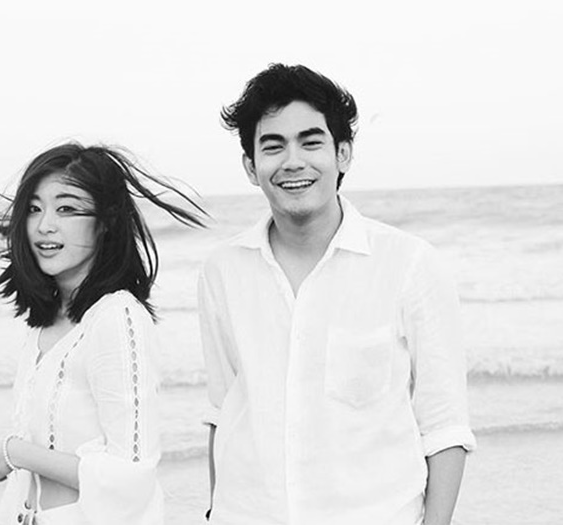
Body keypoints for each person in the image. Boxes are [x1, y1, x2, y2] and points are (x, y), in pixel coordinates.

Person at [197, 63, 477, 525]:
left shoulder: (409, 264)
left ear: (343, 154)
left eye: (311, 142)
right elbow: (222, 410)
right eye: (273, 146)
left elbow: (445, 425)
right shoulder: (222, 271)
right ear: (250, 166)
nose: (292, 162)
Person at [0, 143, 205, 524]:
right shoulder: (42, 324)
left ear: (105, 221)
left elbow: (130, 476)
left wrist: (14, 452)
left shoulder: (117, 317)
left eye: (66, 209)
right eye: (34, 209)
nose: (44, 225)